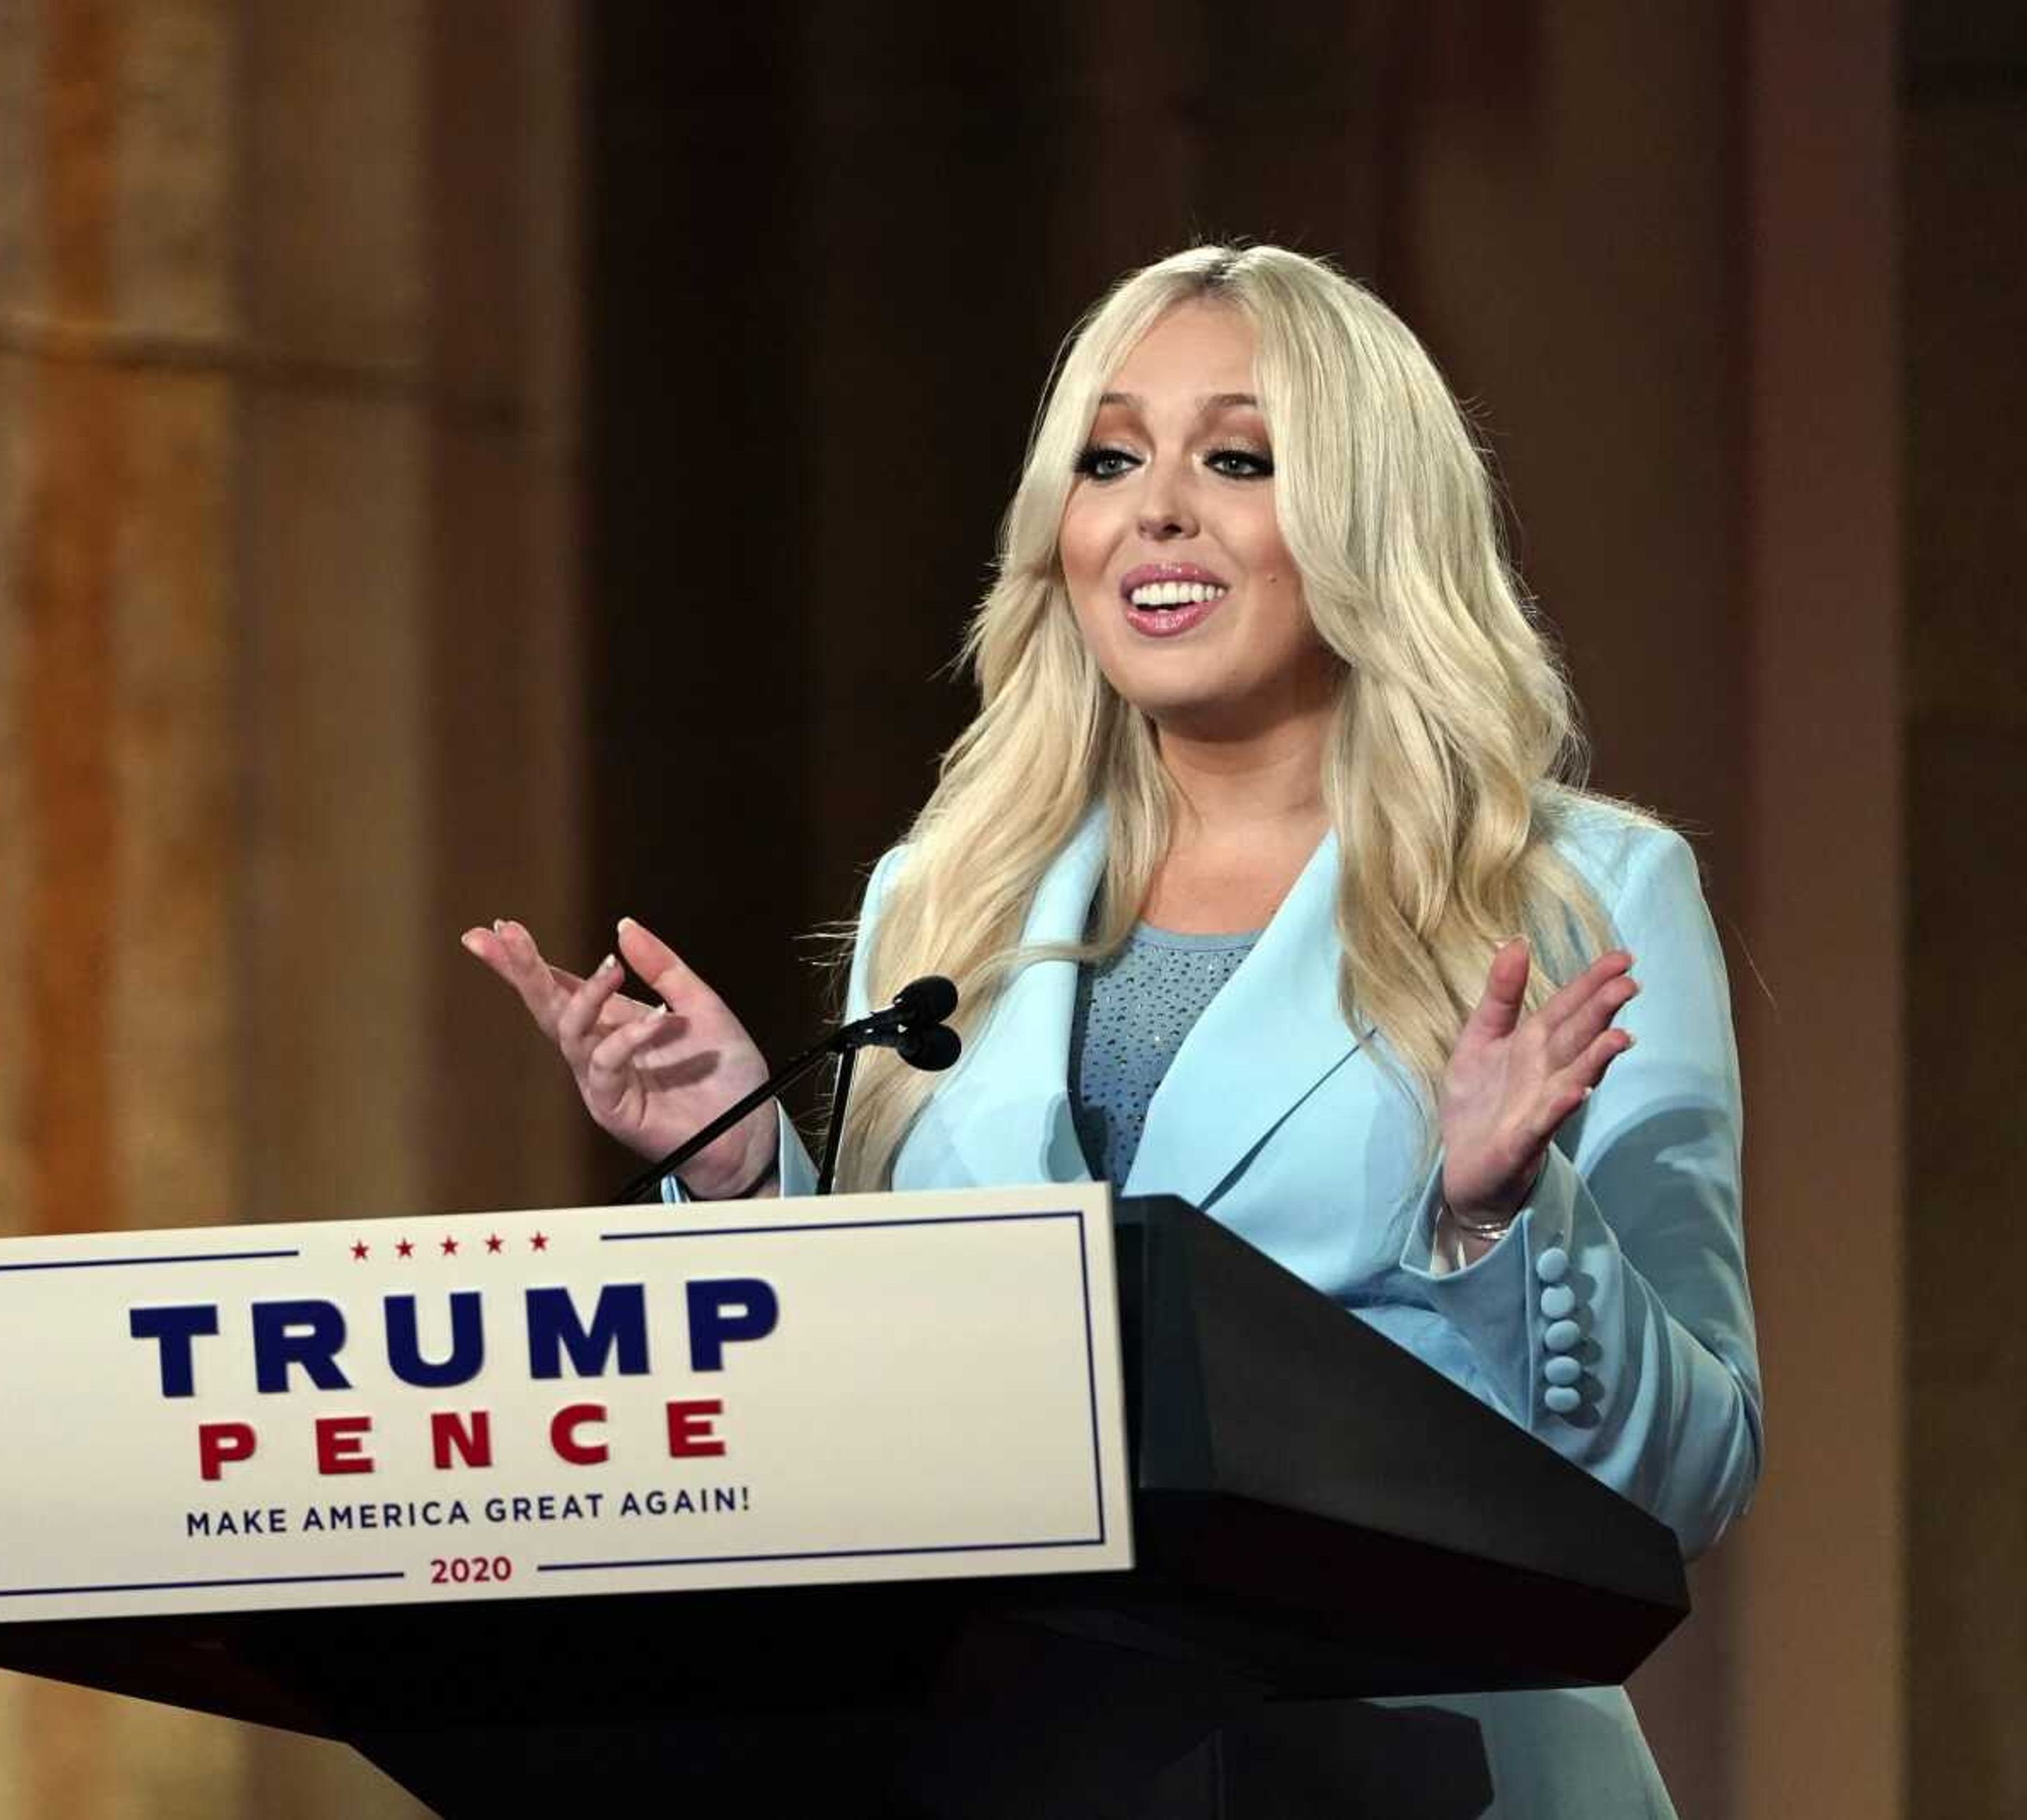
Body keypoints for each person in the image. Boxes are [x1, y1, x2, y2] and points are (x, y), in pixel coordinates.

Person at [461, 242, 1760, 1817]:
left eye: (1237, 458)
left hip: (1430, 1776)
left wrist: (1501, 1219)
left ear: (1367, 518)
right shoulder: (947, 906)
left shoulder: (1573, 896)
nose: (1156, 509)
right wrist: (744, 1178)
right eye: (1108, 458)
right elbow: (894, 1424)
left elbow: (1686, 1481)